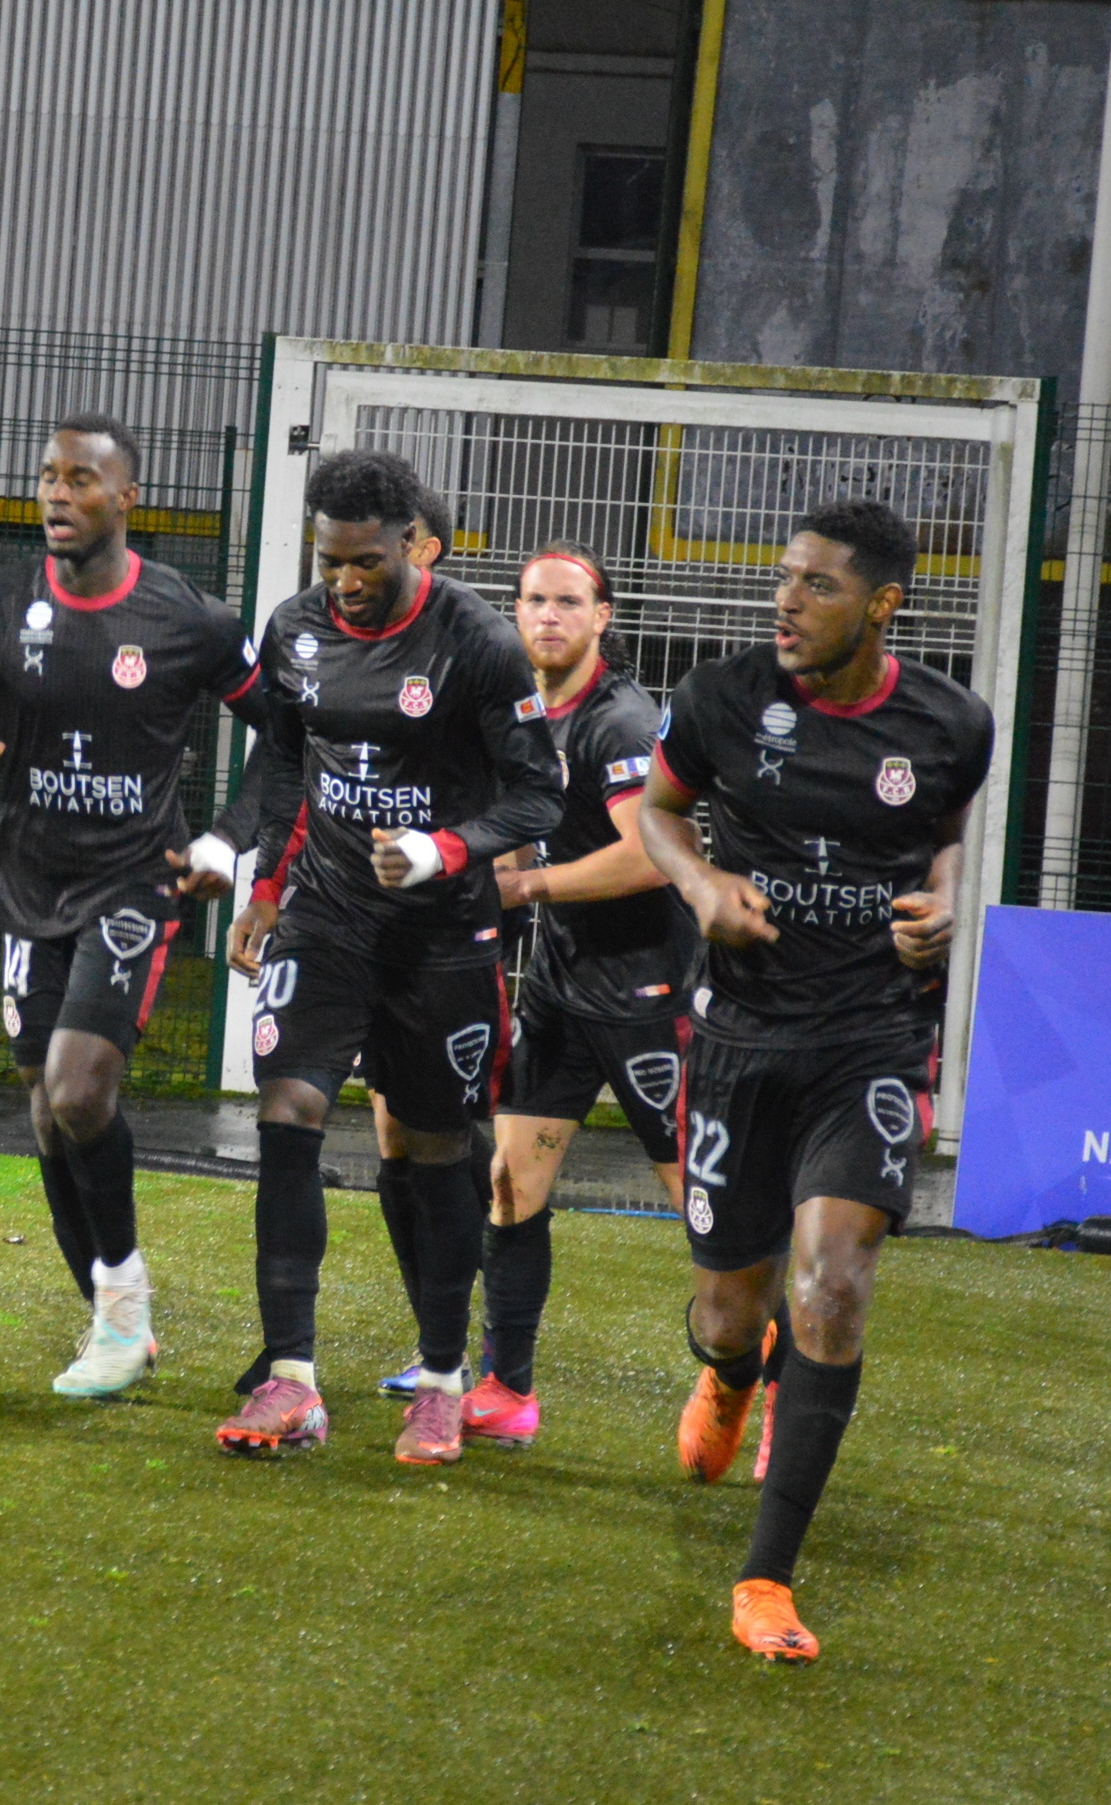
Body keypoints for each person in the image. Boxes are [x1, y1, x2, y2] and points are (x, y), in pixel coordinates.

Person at [636, 498, 991, 1664]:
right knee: (728, 1310)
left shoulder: (950, 722)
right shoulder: (719, 697)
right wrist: (700, 887)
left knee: (831, 1284)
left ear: (882, 604)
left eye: (815, 585)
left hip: (868, 1037)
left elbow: (944, 834)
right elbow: (657, 811)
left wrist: (943, 900)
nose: (784, 602)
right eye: (782, 578)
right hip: (738, 1036)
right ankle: (730, 1370)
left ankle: (764, 1576)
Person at [0, 412, 270, 1398]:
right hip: (28, 885)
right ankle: (113, 1316)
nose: (57, 494)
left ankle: (121, 1312)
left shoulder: (189, 618)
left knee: (78, 1092)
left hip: (134, 882)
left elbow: (283, 736)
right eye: (47, 476)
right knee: (45, 1110)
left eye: (80, 478)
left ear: (127, 496)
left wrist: (227, 839)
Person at [217, 449, 560, 1464]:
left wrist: (445, 847)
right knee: (287, 1112)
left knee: (436, 1146)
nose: (343, 580)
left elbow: (539, 794)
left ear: (413, 543)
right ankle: (291, 1375)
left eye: (364, 560)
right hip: (325, 918)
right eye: (329, 559)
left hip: (440, 935)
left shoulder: (478, 642)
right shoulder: (294, 628)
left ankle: (444, 1383)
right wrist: (265, 886)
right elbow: (285, 761)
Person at [466, 542, 699, 1449]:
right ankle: (507, 1388)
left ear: (603, 618)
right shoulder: (523, 714)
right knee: (511, 1183)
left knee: (706, 1207)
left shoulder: (620, 720)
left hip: (647, 990)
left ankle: (769, 1386)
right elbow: (535, 829)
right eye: (534, 600)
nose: (548, 616)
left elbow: (648, 855)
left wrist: (525, 887)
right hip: (561, 987)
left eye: (568, 602)